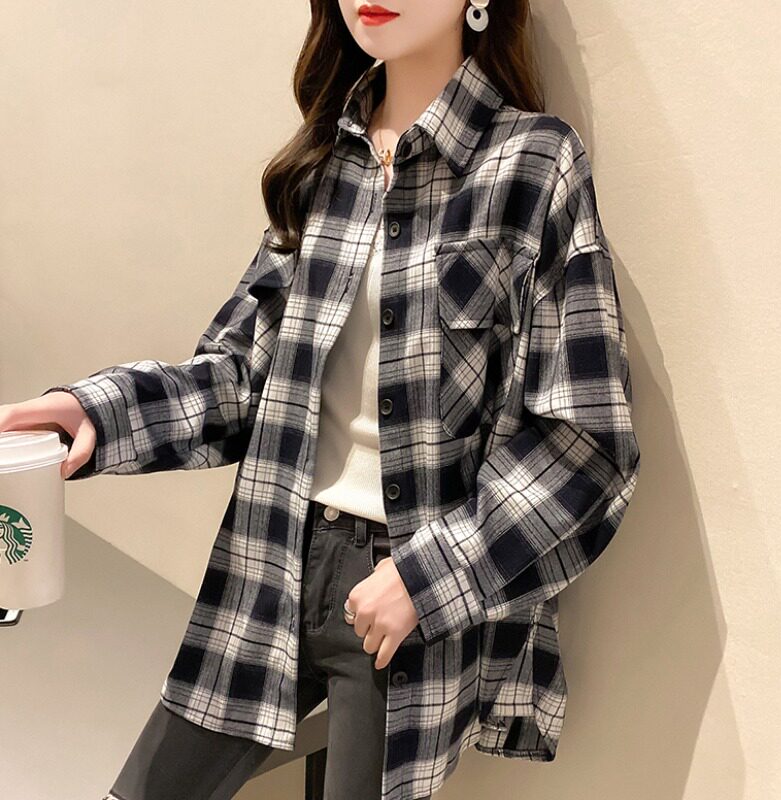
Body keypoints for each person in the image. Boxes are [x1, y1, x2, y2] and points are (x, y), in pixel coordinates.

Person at [0, 1, 642, 798]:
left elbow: (586, 445)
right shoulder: (326, 164)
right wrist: (100, 410)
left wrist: (429, 577)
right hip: (271, 556)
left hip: (402, 597)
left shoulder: (533, 165)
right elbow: (245, 377)